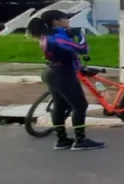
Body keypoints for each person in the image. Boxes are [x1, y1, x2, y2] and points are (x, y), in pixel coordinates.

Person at [26, 10, 105, 150]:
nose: (69, 21)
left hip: (53, 72)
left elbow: (66, 54)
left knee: (60, 106)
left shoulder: (49, 35)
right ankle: (81, 140)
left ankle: (62, 140)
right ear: (56, 21)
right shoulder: (57, 37)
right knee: (80, 106)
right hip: (63, 74)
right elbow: (82, 49)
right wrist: (81, 34)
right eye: (66, 18)